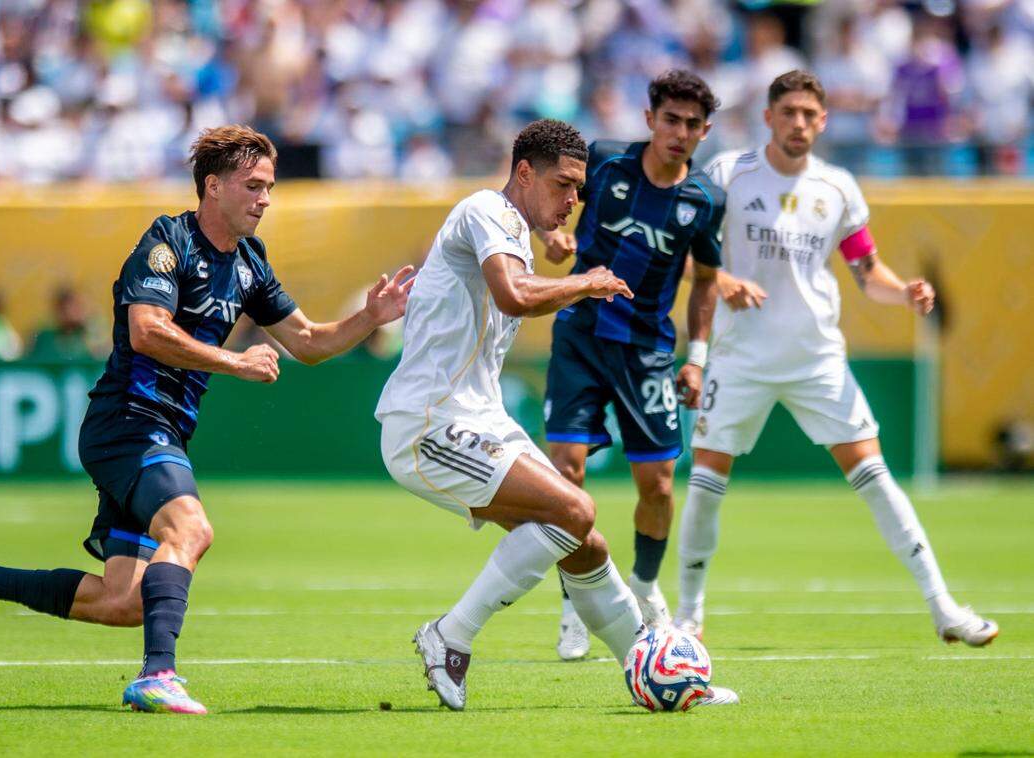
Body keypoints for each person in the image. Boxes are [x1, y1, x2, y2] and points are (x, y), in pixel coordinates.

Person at [0, 124, 414, 714]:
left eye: (270, 188)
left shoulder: (250, 263)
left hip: (161, 430)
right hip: (128, 421)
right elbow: (148, 331)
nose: (266, 199)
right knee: (191, 531)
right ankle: (158, 674)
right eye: (254, 186)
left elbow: (308, 341)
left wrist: (371, 318)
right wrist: (234, 360)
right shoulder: (167, 243)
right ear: (213, 185)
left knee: (122, 602)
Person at [376, 118, 737, 712]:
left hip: (476, 417)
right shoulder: (483, 211)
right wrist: (584, 282)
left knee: (585, 543)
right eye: (565, 185)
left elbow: (518, 281)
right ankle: (451, 635)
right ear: (524, 173)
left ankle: (651, 672)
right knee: (574, 507)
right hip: (427, 422)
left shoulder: (513, 227)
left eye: (579, 188)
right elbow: (514, 295)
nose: (575, 200)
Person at [673, 71, 998, 648]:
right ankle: (688, 617)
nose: (799, 123)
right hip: (739, 356)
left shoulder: (838, 188)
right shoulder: (726, 174)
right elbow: (685, 252)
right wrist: (721, 280)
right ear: (769, 117)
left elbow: (865, 270)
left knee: (874, 477)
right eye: (789, 112)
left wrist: (905, 293)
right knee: (704, 479)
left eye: (810, 114)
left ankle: (943, 607)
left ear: (823, 122)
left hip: (815, 358)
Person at [534, 70, 758, 661]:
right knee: (566, 475)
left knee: (657, 484)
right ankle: (577, 601)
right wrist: (556, 239)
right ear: (649, 120)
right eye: (670, 120)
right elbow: (560, 213)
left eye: (692, 125)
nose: (679, 133)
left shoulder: (705, 199)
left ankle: (642, 587)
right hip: (580, 335)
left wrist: (698, 359)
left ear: (705, 131)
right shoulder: (605, 162)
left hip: (649, 353)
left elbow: (706, 280)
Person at [28, 285, 108, 361]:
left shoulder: (90, 337)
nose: (78, 311)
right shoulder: (44, 338)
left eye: (80, 306)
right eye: (73, 306)